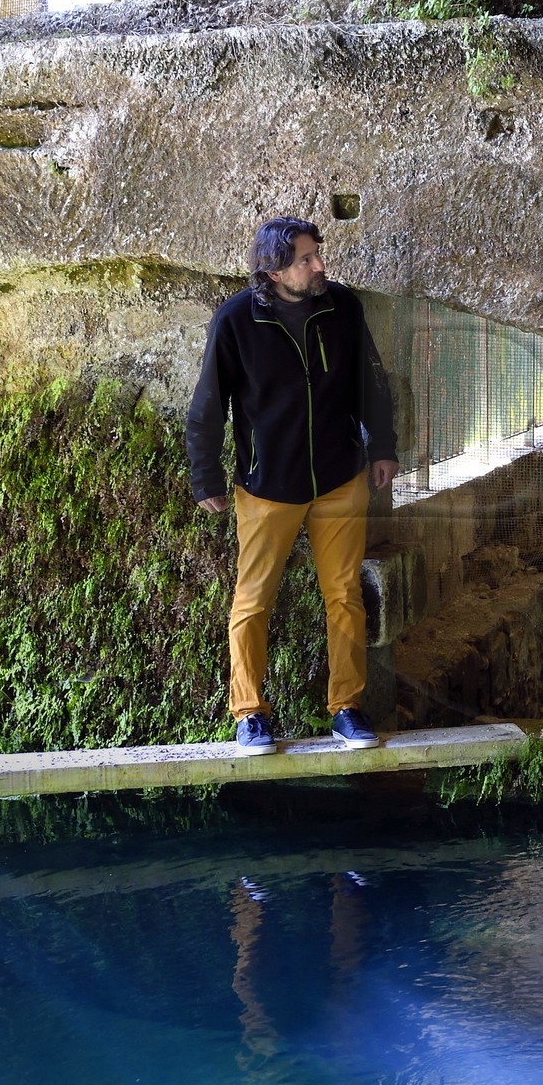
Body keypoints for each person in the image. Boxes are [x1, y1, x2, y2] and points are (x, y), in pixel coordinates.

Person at [187, 216, 399, 751]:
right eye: (306, 259)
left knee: (345, 597)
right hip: (266, 487)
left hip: (338, 478)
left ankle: (347, 709)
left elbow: (371, 382)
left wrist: (383, 448)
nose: (319, 265)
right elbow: (208, 406)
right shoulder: (236, 320)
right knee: (253, 601)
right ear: (275, 269)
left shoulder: (342, 308)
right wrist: (205, 475)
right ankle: (249, 714)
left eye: (317, 254)